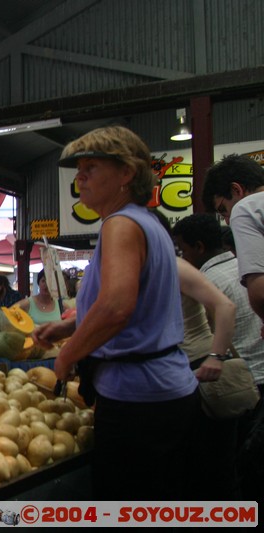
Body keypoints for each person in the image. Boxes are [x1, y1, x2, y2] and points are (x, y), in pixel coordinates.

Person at [32, 126, 200, 500]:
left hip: (139, 401)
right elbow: (133, 303)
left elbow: (117, 307)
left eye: (91, 167)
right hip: (165, 392)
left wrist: (69, 354)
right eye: (79, 169)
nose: (80, 177)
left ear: (126, 173)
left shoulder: (120, 224)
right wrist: (70, 324)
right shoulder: (147, 223)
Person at [172, 211, 264, 500]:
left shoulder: (201, 277)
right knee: (240, 462)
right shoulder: (247, 268)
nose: (182, 255)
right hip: (248, 380)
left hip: (217, 380)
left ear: (198, 247)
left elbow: (220, 317)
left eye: (184, 250)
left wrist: (215, 356)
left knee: (215, 464)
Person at [202, 154, 264, 329]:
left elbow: (259, 293)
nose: (227, 221)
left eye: (223, 209)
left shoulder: (246, 209)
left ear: (236, 190)